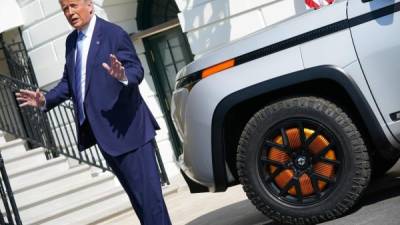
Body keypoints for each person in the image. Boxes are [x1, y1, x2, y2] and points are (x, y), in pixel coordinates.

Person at [15, 0, 172, 224]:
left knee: (151, 203)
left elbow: (136, 69)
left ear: (89, 4)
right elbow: (69, 84)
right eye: (65, 9)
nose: (70, 12)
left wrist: (123, 76)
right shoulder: (72, 41)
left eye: (73, 5)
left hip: (130, 131)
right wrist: (44, 100)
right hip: (105, 137)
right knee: (141, 202)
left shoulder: (112, 34)